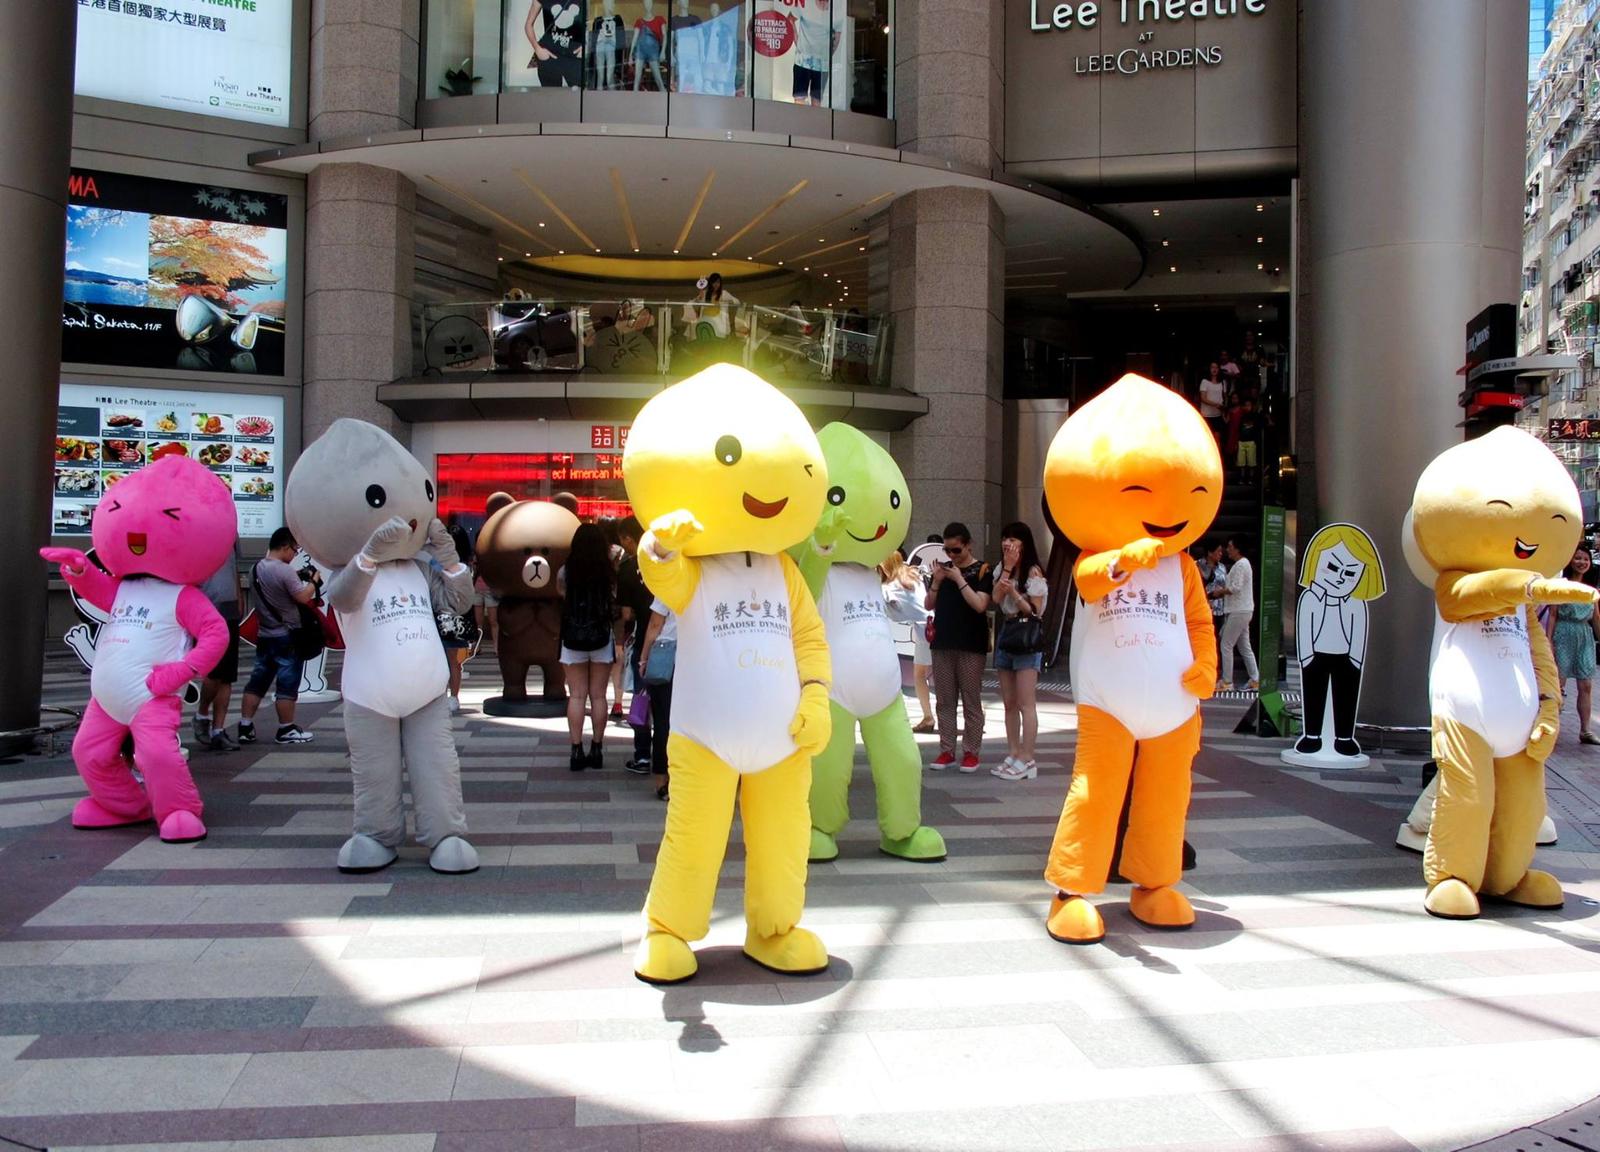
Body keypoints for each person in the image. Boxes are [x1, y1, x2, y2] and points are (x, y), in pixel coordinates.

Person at [239, 528, 318, 745]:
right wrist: (314, 582)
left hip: (265, 635)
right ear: (284, 546)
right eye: (294, 549)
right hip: (287, 636)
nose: (294, 554)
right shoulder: (284, 571)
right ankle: (286, 728)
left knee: (257, 682)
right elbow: (302, 597)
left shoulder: (255, 568)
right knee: (287, 685)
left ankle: (245, 726)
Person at [925, 521, 993, 771]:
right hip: (942, 642)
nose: (951, 555)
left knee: (971, 700)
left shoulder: (982, 570)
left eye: (956, 550)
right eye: (947, 550)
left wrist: (959, 579)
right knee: (944, 700)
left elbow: (980, 605)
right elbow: (928, 604)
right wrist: (936, 581)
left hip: (971, 644)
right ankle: (947, 750)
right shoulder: (943, 571)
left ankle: (971, 752)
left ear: (968, 545)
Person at [991, 522, 1048, 781]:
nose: (1007, 543)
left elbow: (1034, 611)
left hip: (1026, 636)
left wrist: (1013, 590)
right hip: (1007, 633)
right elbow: (995, 599)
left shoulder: (1033, 572)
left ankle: (1027, 758)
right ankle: (1013, 752)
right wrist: (1006, 570)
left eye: (1013, 539)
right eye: (1005, 538)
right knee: (1009, 703)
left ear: (1024, 543)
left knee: (1026, 703)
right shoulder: (1002, 568)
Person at [558, 522, 616, 770]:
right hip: (601, 636)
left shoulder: (566, 570)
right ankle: (597, 749)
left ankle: (576, 750)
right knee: (599, 695)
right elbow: (614, 600)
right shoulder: (608, 571)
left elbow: (561, 594)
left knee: (577, 695)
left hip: (573, 637)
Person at [1546, 541, 1600, 745]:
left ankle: (1585, 730)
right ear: (1570, 561)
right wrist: (1549, 641)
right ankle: (1550, 729)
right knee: (1558, 685)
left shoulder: (1591, 589)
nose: (1581, 562)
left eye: (1585, 559)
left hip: (1584, 636)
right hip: (1563, 634)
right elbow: (1553, 615)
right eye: (1578, 558)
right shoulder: (1560, 586)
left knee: (1586, 685)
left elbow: (1596, 618)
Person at [613, 515, 656, 772]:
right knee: (668, 703)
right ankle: (667, 758)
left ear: (630, 539)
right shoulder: (669, 562)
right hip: (675, 643)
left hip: (644, 643)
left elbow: (627, 614)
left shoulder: (629, 567)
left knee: (642, 697)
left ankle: (642, 756)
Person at [194, 543, 244, 751]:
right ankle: (201, 714)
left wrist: (239, 598)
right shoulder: (193, 534)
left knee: (227, 676)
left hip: (230, 609)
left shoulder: (231, 535)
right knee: (213, 673)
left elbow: (233, 567)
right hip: (206, 608)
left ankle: (218, 730)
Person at [880, 550, 934, 731]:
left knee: (920, 675)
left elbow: (886, 610)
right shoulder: (913, 574)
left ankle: (928, 717)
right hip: (934, 625)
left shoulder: (889, 586)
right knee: (944, 674)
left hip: (926, 632)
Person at [637, 597, 676, 800]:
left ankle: (662, 780)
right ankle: (683, 777)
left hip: (666, 655)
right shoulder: (708, 586)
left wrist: (643, 658)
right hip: (699, 658)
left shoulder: (668, 586)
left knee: (663, 721)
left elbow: (655, 624)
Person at [1210, 535, 1260, 692]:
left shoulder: (1240, 565)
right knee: (1244, 646)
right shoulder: (1244, 564)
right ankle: (1255, 679)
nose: (1227, 550)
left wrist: (1220, 592)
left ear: (1238, 548)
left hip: (1238, 610)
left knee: (1226, 644)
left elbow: (1235, 588)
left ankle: (1227, 682)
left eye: (1230, 547)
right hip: (1244, 609)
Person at [526, 0, 585, 88]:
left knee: (579, 93)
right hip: (549, 55)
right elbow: (528, 25)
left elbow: (596, 21)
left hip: (574, 56)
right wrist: (537, 49)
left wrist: (587, 45)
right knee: (551, 94)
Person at [630, 0, 666, 91]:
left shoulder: (659, 19)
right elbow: (635, 38)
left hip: (653, 52)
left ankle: (665, 97)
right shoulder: (639, 21)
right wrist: (630, 55)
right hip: (640, 51)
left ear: (652, 4)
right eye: (646, 3)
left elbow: (665, 36)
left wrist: (663, 51)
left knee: (658, 79)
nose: (648, 5)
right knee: (637, 80)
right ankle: (634, 99)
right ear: (643, 5)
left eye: (649, 3)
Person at [1198, 362, 1227, 443]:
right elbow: (1203, 398)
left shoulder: (1223, 382)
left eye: (1216, 367)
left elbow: (1225, 396)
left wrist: (1223, 407)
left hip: (1218, 414)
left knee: (1217, 438)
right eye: (1212, 367)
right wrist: (1215, 404)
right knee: (1207, 438)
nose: (1214, 369)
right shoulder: (1205, 381)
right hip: (1207, 414)